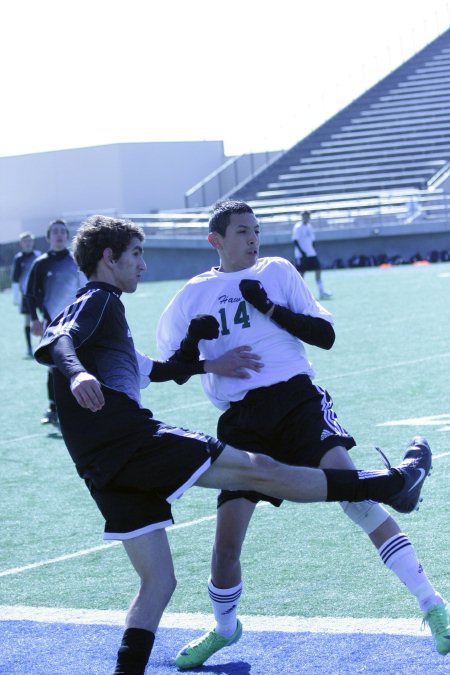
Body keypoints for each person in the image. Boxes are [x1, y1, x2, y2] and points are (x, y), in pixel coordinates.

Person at [34, 214, 432, 675]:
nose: (142, 266)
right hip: (135, 442)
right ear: (109, 257)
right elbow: (60, 341)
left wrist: (207, 362)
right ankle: (394, 483)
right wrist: (77, 371)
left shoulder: (106, 314)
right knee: (261, 470)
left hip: (100, 467)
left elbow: (152, 369)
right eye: (137, 255)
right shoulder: (100, 299)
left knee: (158, 584)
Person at [157, 200, 449, 668]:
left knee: (355, 495)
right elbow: (170, 366)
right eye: (241, 232)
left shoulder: (277, 271)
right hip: (242, 420)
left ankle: (433, 605)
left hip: (298, 402)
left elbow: (325, 336)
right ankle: (225, 628)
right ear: (216, 240)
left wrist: (268, 306)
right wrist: (205, 356)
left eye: (256, 230)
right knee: (226, 542)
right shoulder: (193, 294)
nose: (252, 239)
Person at [26, 218, 86, 425]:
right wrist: (34, 319)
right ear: (48, 237)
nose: (59, 234)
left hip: (78, 322)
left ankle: (82, 405)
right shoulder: (41, 263)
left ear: (67, 236)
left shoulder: (77, 260)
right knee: (54, 367)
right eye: (55, 232)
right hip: (52, 324)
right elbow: (31, 294)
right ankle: (53, 407)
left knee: (82, 362)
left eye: (62, 231)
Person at [11, 232, 41, 356]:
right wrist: (16, 298)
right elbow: (15, 279)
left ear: (33, 242)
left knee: (46, 317)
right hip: (26, 296)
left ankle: (45, 344)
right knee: (28, 320)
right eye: (25, 241)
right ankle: (29, 347)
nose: (28, 243)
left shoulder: (38, 255)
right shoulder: (18, 259)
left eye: (29, 241)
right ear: (21, 244)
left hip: (40, 293)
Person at [291, 210, 332, 299]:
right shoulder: (298, 227)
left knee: (318, 270)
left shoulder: (309, 226)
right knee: (301, 275)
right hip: (301, 255)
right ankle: (298, 295)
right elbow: (295, 241)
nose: (306, 218)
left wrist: (311, 250)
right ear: (302, 217)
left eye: (308, 216)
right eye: (304, 216)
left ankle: (321, 291)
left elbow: (312, 240)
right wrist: (302, 253)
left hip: (311, 253)